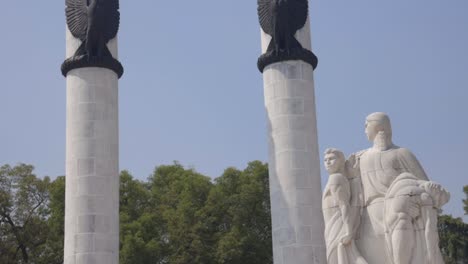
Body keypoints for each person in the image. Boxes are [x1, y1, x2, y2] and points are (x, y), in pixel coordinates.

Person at [348, 112, 429, 263]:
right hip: (368, 217)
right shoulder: (360, 157)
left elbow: (424, 183)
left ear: (378, 125)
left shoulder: (401, 153)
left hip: (397, 211)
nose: (364, 128)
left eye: (367, 124)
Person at [384, 173, 449, 264]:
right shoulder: (417, 187)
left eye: (439, 193)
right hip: (397, 224)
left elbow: (430, 229)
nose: (437, 188)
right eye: (440, 189)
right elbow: (430, 230)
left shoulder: (425, 196)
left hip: (401, 226)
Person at [322, 148, 367, 264]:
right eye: (325, 160)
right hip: (333, 226)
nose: (327, 162)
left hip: (338, 226)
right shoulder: (335, 179)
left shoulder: (335, 178)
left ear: (341, 162)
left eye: (331, 159)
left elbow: (344, 205)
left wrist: (348, 231)